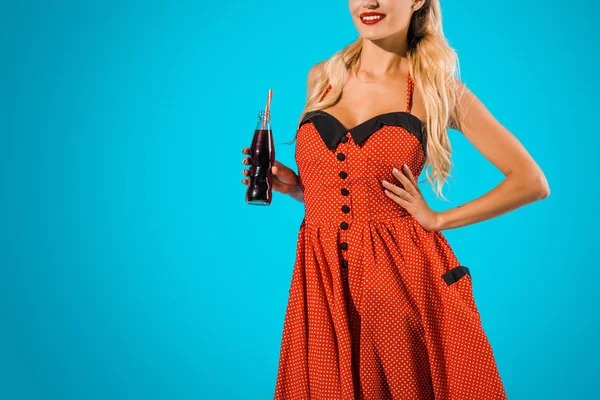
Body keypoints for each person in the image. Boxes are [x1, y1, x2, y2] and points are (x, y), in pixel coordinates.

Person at [241, 0, 549, 398]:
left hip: (404, 280)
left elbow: (531, 181)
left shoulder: (435, 86)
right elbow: (352, 186)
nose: (369, 2)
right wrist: (301, 189)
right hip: (323, 276)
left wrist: (439, 219)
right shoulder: (322, 77)